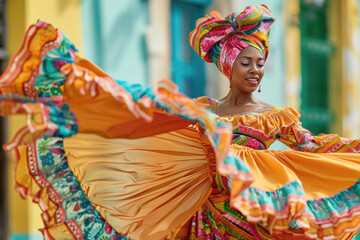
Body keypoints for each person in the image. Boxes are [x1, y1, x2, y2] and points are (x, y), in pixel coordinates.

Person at [1, 4, 360, 240]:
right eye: (246, 62)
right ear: (227, 66)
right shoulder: (203, 111)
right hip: (205, 220)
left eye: (260, 62)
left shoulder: (275, 115)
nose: (255, 70)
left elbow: (313, 147)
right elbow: (149, 118)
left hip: (254, 223)